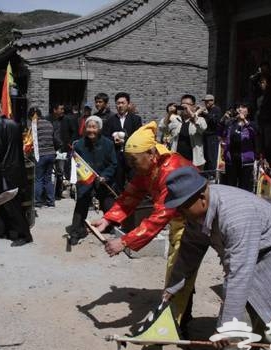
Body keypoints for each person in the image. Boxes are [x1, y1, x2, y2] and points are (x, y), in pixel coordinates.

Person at [163, 166, 271, 350]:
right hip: (252, 252)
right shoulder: (195, 213)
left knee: (243, 318)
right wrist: (172, 287)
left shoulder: (235, 217)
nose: (180, 212)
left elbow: (238, 275)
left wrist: (226, 326)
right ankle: (267, 346)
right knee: (253, 312)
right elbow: (189, 251)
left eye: (182, 206)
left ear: (202, 198)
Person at [91, 122, 195, 332]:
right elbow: (131, 195)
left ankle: (173, 324)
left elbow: (159, 216)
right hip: (178, 219)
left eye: (134, 160)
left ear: (150, 152)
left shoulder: (171, 170)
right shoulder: (148, 166)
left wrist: (124, 241)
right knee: (180, 270)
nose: (131, 165)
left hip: (194, 221)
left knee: (177, 270)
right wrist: (108, 220)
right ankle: (180, 317)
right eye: (128, 160)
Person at [0, 101, 33, 247]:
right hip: (16, 169)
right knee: (8, 204)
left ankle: (25, 235)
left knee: (12, 205)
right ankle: (4, 230)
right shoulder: (14, 123)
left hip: (4, 170)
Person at [69, 115, 116, 245]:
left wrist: (105, 176)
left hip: (102, 179)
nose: (91, 130)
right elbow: (75, 163)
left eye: (94, 127)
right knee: (82, 204)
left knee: (108, 202)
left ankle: (111, 225)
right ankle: (76, 231)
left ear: (99, 129)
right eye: (88, 127)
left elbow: (113, 164)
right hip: (86, 178)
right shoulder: (79, 145)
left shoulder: (108, 144)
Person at [102, 92, 142, 192]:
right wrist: (113, 140)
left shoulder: (136, 119)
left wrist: (125, 141)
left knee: (134, 182)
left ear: (128, 104)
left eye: (122, 103)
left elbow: (138, 136)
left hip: (131, 157)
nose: (120, 105)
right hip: (116, 157)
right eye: (118, 103)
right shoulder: (110, 120)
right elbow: (105, 137)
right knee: (118, 183)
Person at [219, 103, 257, 191]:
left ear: (248, 111)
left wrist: (245, 121)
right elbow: (220, 133)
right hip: (231, 159)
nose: (239, 109)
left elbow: (255, 134)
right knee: (230, 187)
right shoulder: (231, 123)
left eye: (243, 107)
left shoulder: (252, 124)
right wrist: (223, 119)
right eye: (238, 107)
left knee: (244, 187)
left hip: (245, 161)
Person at [34, 107, 57, 208]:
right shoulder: (49, 123)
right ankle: (51, 202)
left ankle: (38, 202)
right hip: (51, 154)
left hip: (41, 155)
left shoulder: (35, 125)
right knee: (48, 178)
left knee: (38, 179)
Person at [200, 94, 222, 172]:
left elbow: (216, 122)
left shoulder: (216, 109)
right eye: (205, 102)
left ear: (212, 101)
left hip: (212, 136)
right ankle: (205, 173)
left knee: (211, 156)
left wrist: (207, 114)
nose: (206, 103)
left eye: (207, 101)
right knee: (205, 155)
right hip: (204, 135)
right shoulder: (206, 110)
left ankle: (211, 173)